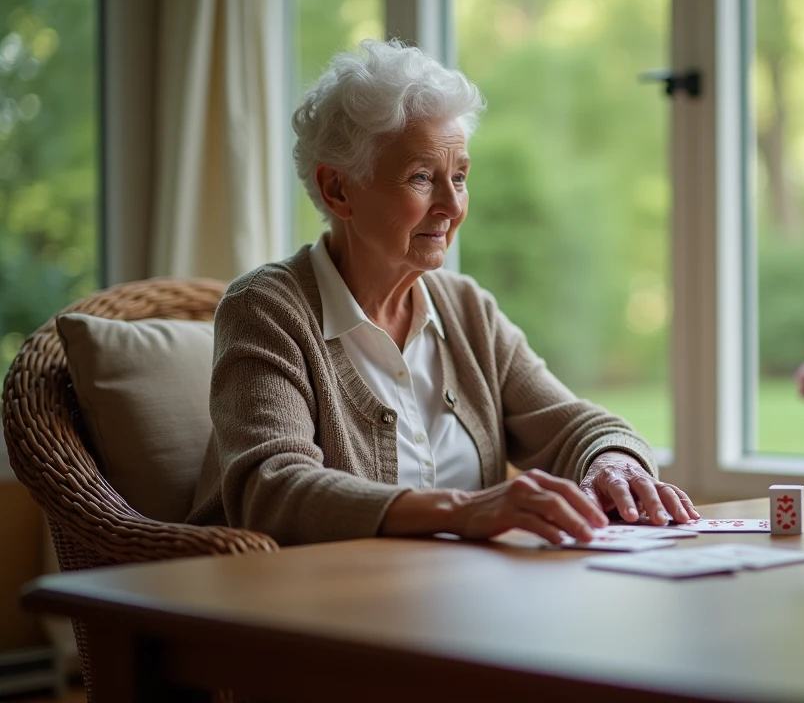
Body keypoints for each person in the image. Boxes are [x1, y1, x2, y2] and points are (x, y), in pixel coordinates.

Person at [187, 39, 698, 546]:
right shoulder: (266, 308)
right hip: (300, 607)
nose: (452, 205)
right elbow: (272, 490)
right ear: (337, 189)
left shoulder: (466, 308)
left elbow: (571, 427)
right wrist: (464, 511)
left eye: (460, 176)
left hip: (457, 605)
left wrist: (612, 462)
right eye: (421, 177)